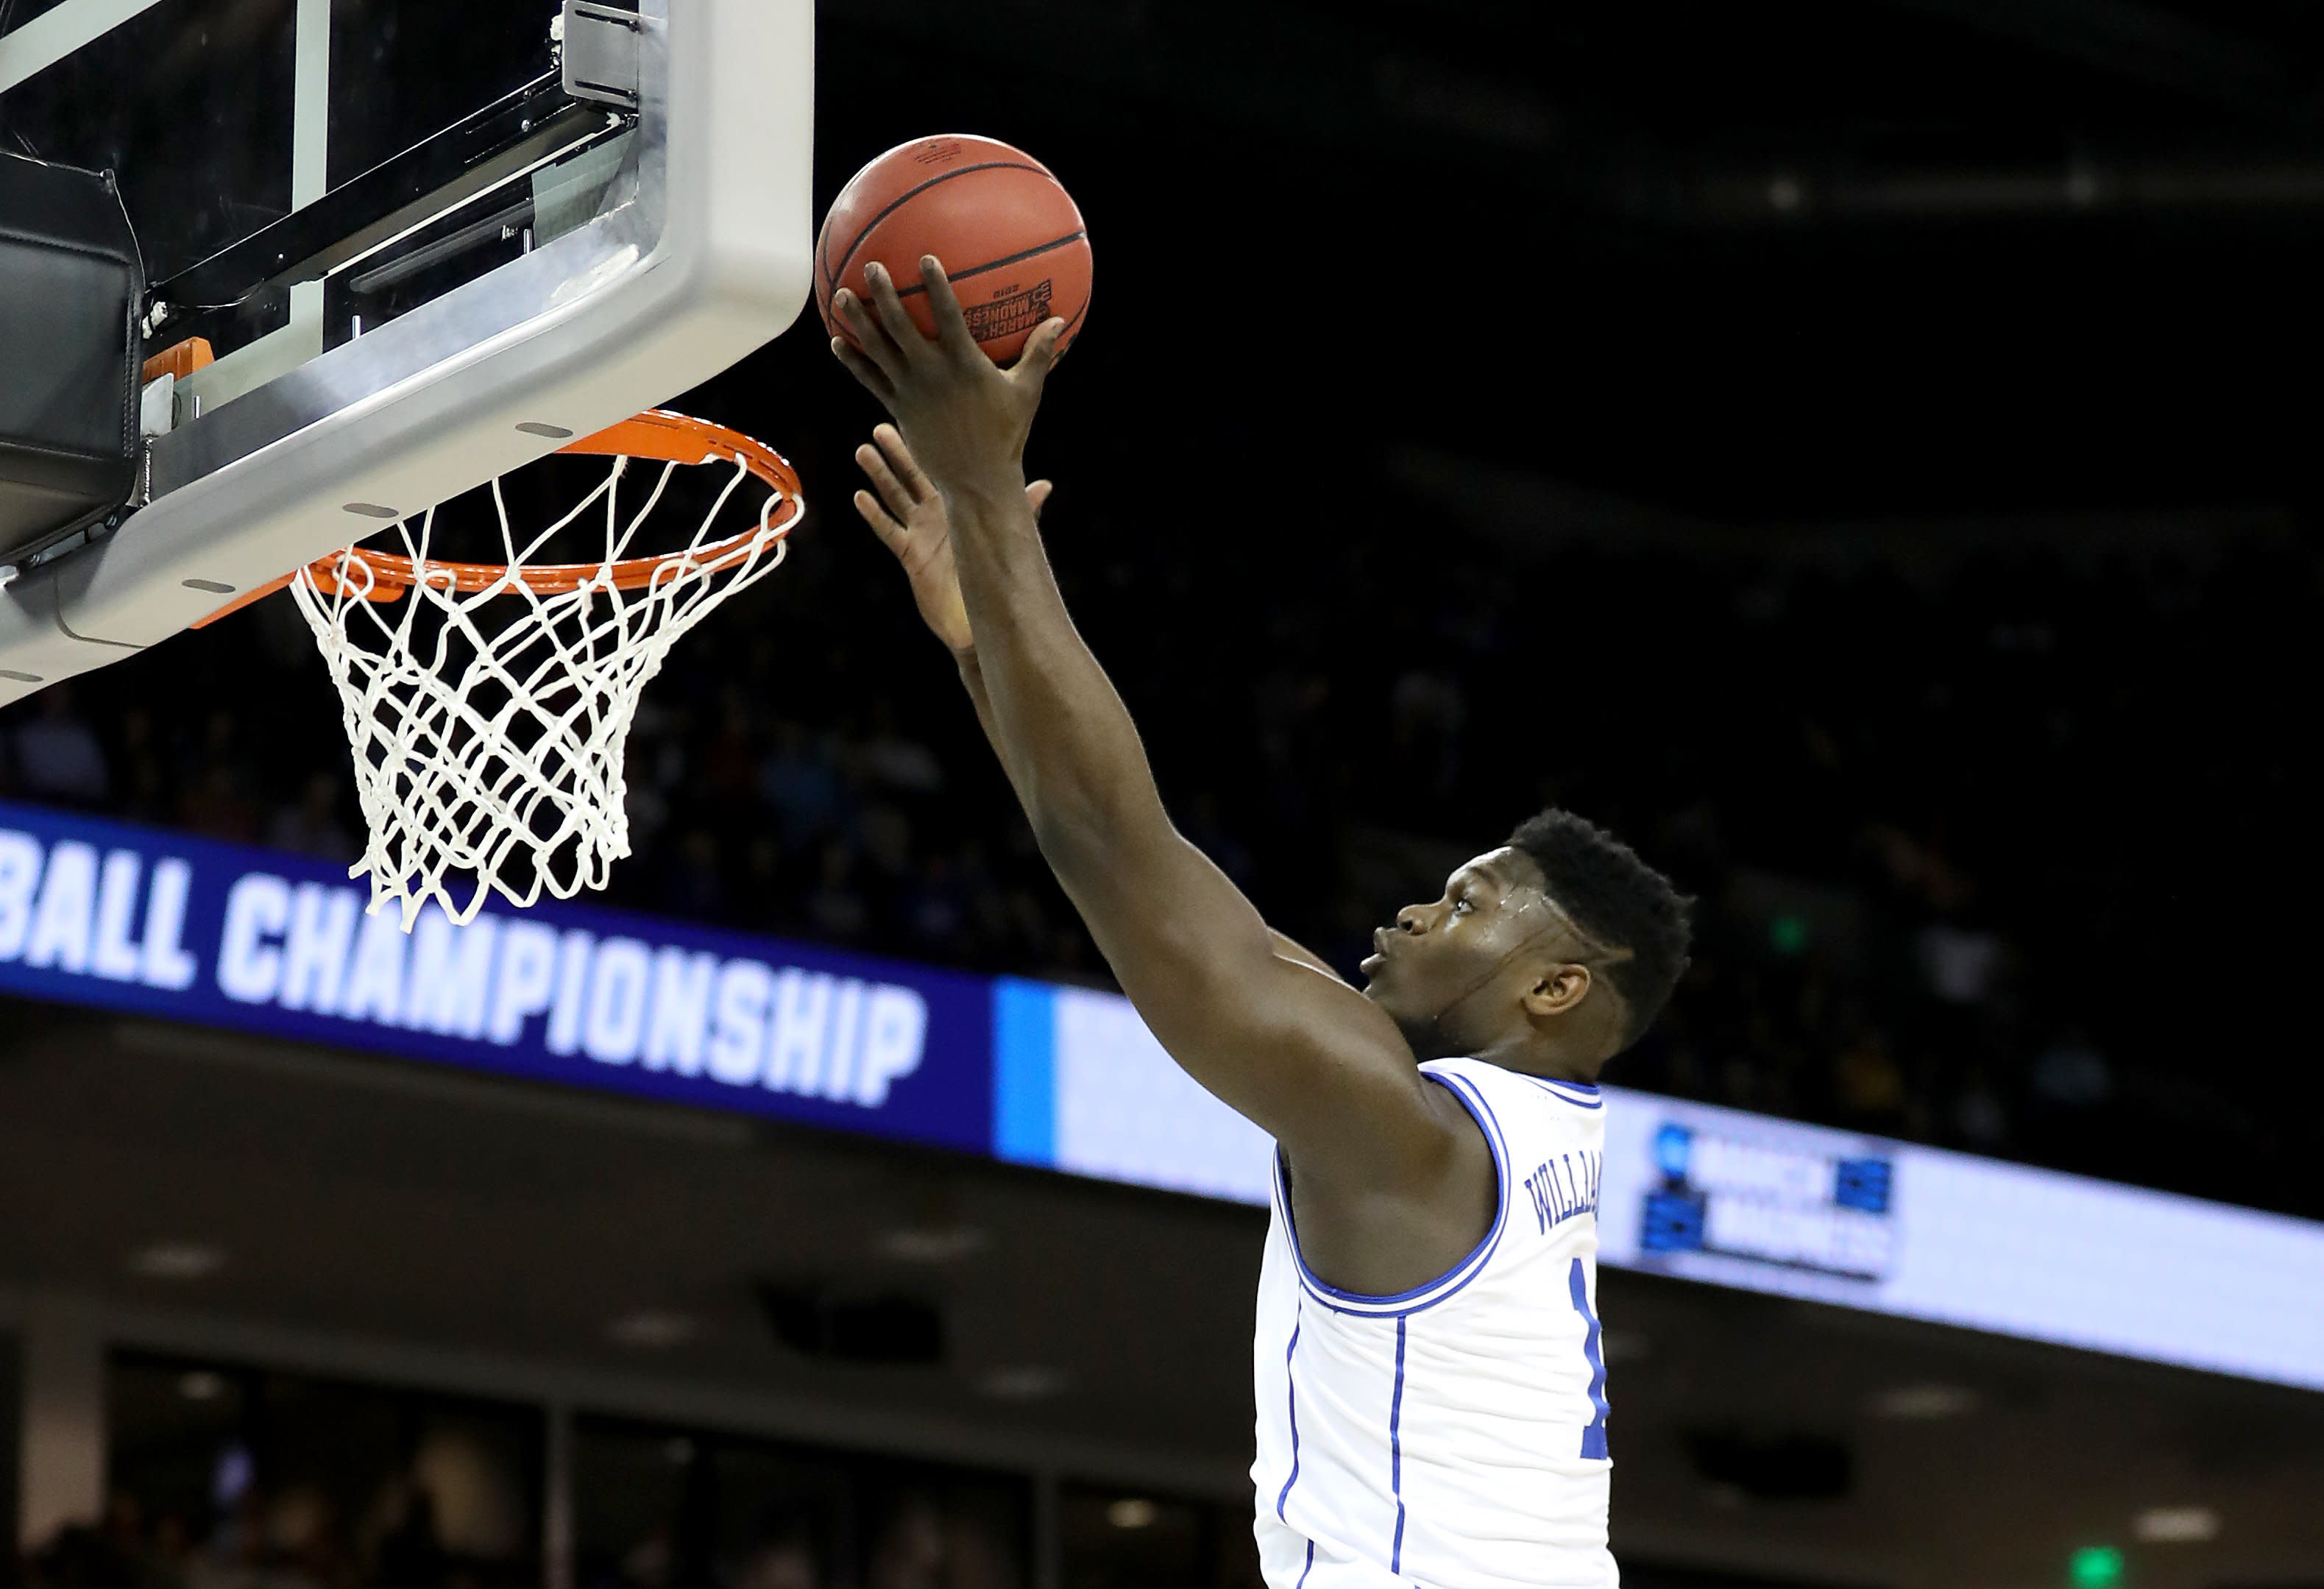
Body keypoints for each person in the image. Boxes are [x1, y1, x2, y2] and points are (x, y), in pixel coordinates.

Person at [830, 260, 1690, 1589]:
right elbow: (1133, 862)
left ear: (1557, 989)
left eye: (1466, 904)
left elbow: (1114, 851)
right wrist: (977, 632)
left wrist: (994, 499)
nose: (1416, 908)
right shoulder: (1469, 1129)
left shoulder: (1411, 1137)